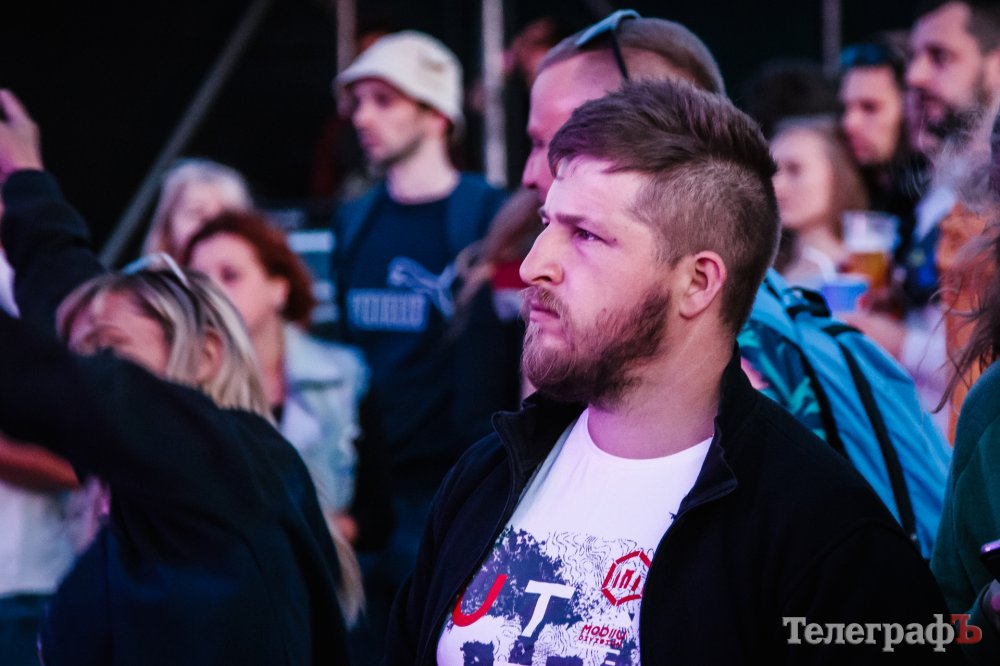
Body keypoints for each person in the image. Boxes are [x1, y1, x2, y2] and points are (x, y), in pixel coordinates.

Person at [387, 77, 959, 665]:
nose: (535, 265)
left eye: (585, 235)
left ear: (698, 283)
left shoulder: (823, 534)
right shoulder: (486, 477)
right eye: (546, 223)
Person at [0, 89, 354, 665]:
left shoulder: (236, 462)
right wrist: (25, 179)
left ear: (205, 354)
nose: (88, 369)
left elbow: (54, 381)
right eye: (84, 354)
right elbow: (62, 292)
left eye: (107, 353)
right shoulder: (145, 482)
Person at [328, 29, 510, 656]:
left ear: (437, 114)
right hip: (369, 494)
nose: (363, 117)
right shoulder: (354, 220)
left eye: (384, 100)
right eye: (358, 102)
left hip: (456, 488)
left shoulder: (487, 215)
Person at [182, 210, 392, 551]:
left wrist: (318, 537)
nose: (212, 293)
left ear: (278, 288)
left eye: (230, 275)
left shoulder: (344, 373)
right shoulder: (180, 384)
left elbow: (378, 514)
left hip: (328, 574)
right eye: (198, 282)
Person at [771, 115, 870, 287]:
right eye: (771, 172)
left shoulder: (858, 273)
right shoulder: (767, 268)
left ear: (838, 175)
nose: (776, 185)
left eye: (794, 169)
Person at [141, 157, 253, 259]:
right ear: (168, 222)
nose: (209, 228)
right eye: (197, 213)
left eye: (222, 219)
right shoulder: (142, 274)